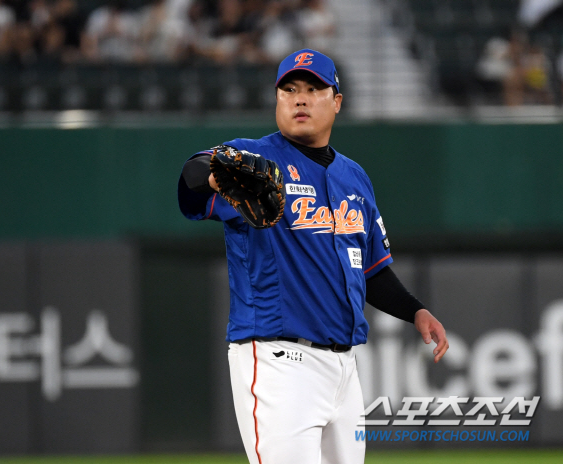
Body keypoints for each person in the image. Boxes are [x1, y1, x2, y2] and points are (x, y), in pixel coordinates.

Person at [177, 49, 449, 464]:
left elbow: (371, 270)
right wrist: (212, 173)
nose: (299, 99)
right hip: (277, 361)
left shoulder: (355, 178)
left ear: (336, 101)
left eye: (312, 89)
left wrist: (415, 311)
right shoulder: (256, 160)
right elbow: (190, 182)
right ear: (277, 100)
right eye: (289, 90)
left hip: (344, 369)